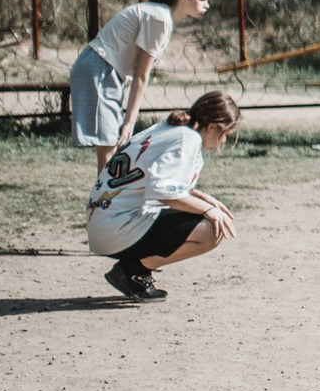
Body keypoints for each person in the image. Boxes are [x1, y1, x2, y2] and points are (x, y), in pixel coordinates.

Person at [84, 91, 243, 302]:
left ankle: (134, 270)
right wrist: (208, 210)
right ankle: (133, 271)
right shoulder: (188, 139)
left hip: (105, 221)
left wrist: (204, 198)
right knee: (211, 231)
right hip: (117, 227)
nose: (223, 140)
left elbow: (153, 182)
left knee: (206, 216)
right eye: (225, 133)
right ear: (212, 126)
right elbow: (162, 192)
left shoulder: (171, 129)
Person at [71, 0, 214, 170]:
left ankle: (108, 197)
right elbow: (141, 75)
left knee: (111, 142)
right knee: (109, 142)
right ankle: (105, 199)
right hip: (99, 67)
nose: (207, 5)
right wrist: (130, 122)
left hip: (105, 68)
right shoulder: (159, 18)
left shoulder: (163, 16)